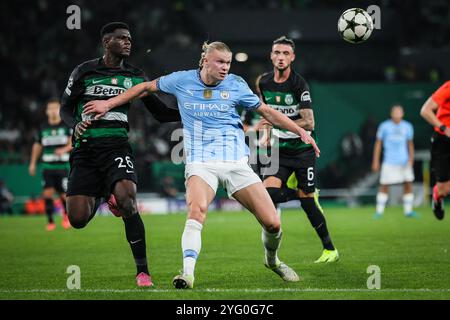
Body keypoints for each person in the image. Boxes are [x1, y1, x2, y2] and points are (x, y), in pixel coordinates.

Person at [83, 41, 320, 289]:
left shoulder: (236, 85)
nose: (225, 67)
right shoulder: (181, 80)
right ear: (205, 60)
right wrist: (108, 104)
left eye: (228, 63)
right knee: (197, 212)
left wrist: (301, 132)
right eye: (220, 62)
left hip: (236, 163)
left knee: (273, 223)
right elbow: (144, 88)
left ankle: (272, 261)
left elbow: (268, 112)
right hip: (201, 163)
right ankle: (187, 274)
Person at [60, 22, 181, 287]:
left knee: (127, 201)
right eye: (122, 38)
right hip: (85, 152)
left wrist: (193, 112)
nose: (128, 42)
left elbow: (160, 113)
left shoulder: (136, 76)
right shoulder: (84, 71)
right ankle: (105, 194)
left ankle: (143, 272)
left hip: (116, 147)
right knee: (77, 220)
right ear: (106, 42)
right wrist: (75, 124)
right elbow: (65, 109)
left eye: (129, 38)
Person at [255, 36, 338, 263]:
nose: (281, 57)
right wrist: (265, 135)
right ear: (271, 56)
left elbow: (309, 122)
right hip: (279, 151)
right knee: (267, 195)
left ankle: (330, 249)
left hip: (302, 150)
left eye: (285, 54)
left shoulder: (299, 84)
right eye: (277, 53)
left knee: (308, 203)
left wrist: (278, 124)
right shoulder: (263, 82)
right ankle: (304, 195)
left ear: (292, 57)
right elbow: (266, 115)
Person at [29, 99, 72, 230]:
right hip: (47, 167)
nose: (53, 111)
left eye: (55, 108)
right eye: (50, 108)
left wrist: (64, 149)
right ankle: (50, 221)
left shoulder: (66, 125)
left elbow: (74, 141)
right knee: (47, 194)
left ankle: (66, 216)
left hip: (63, 167)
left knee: (63, 194)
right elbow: (37, 145)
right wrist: (32, 163)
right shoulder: (43, 128)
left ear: (59, 109)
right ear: (47, 111)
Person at [372, 105, 417, 219]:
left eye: (399, 112)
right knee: (384, 185)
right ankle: (379, 212)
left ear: (402, 114)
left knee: (408, 184)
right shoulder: (384, 126)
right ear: (391, 114)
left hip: (404, 161)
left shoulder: (408, 126)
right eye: (395, 112)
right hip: (389, 161)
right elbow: (378, 144)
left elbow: (410, 144)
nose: (397, 114)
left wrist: (411, 158)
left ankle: (408, 211)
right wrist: (376, 161)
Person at [420, 81, 450, 220]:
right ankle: (437, 196)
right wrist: (445, 128)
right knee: (445, 189)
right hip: (443, 139)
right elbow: (425, 110)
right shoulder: (448, 87)